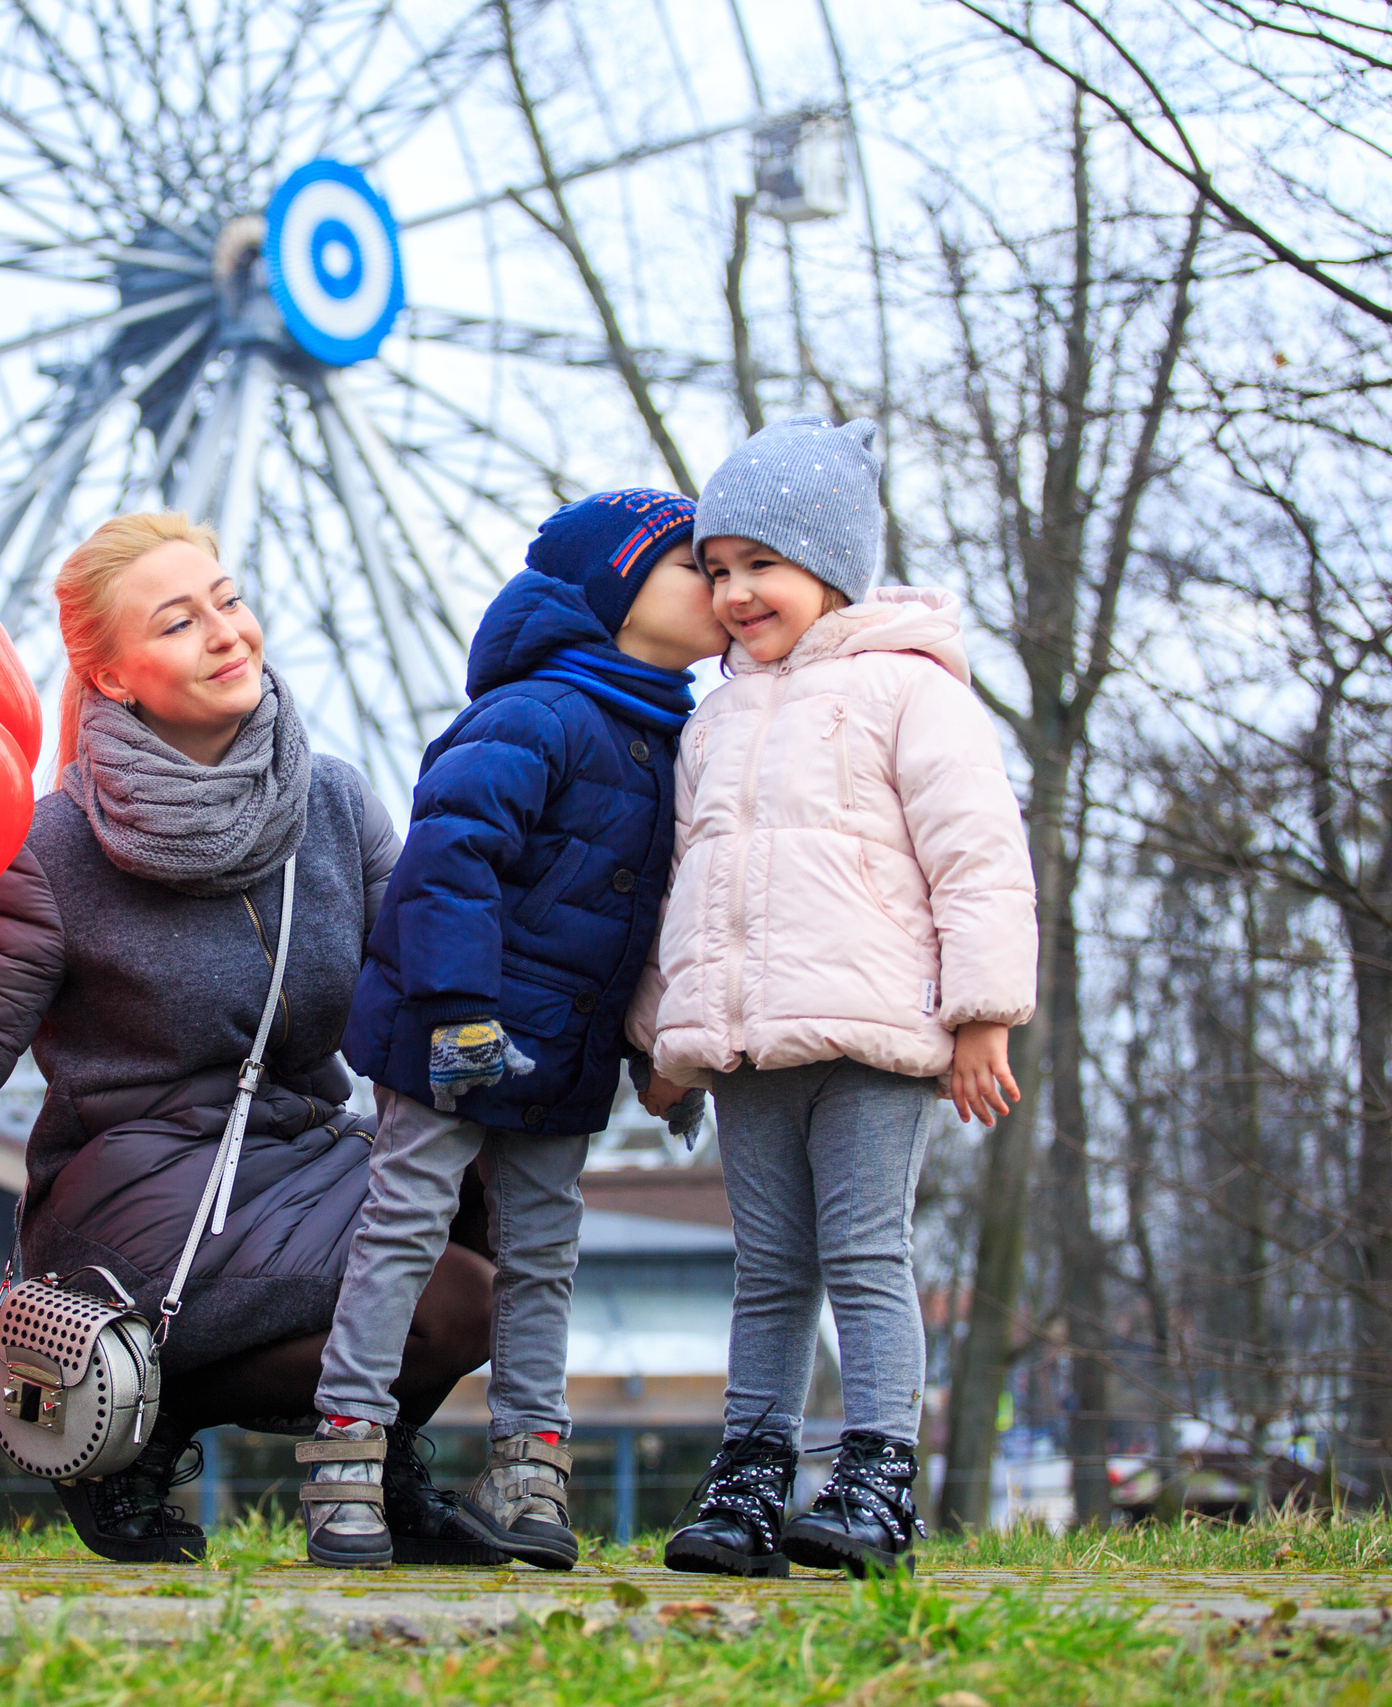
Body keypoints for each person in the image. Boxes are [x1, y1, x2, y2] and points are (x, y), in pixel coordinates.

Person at [0, 513, 497, 1567]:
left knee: (505, 1189)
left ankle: (376, 1458)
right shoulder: (51, 847)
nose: (225, 633)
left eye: (227, 600)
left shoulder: (332, 801)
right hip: (140, 1195)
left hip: (304, 1153)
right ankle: (132, 1414)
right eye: (179, 621)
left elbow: (414, 987)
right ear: (111, 680)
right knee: (450, 1305)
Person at [636, 418, 1037, 1578]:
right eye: (715, 570)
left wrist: (982, 1013)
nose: (734, 593)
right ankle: (750, 1479)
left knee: (864, 1255)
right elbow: (688, 886)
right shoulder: (711, 718)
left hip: (874, 1035)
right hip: (754, 1046)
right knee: (765, 1268)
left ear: (830, 567)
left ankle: (872, 1476)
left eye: (761, 564)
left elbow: (976, 856)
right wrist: (669, 1034)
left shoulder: (911, 692)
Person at [301, 490, 727, 1570]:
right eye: (695, 568)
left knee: (543, 1255)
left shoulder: (669, 735)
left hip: (560, 1050)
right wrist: (456, 1010)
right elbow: (450, 855)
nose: (719, 590)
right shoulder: (538, 712)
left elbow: (642, 920)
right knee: (403, 1224)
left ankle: (528, 1463)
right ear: (619, 590)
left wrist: (651, 1049)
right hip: (455, 1031)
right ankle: (347, 1449)